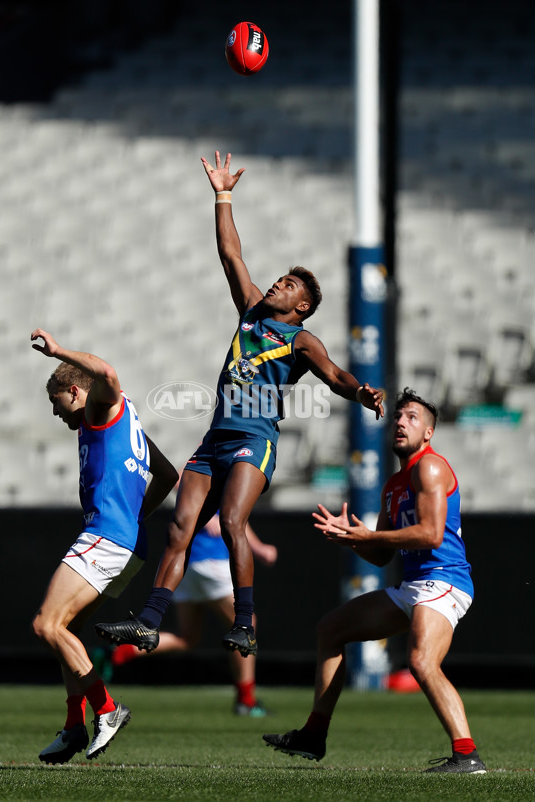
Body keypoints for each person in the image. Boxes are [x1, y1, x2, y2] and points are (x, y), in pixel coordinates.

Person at [95, 150, 385, 659]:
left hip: (255, 440)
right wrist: (223, 195)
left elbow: (336, 375)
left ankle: (246, 623)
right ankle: (149, 620)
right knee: (180, 528)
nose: (278, 283)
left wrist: (361, 392)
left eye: (289, 285)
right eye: (281, 278)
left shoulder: (301, 341)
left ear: (302, 307)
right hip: (214, 442)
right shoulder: (250, 311)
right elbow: (231, 253)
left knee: (232, 523)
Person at [263, 389, 487, 774]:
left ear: (429, 432)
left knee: (420, 661)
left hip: (444, 580)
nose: (401, 422)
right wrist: (352, 539)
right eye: (399, 416)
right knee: (331, 629)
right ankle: (314, 735)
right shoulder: (393, 485)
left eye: (412, 417)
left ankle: (467, 755)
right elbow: (382, 554)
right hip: (415, 585)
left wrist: (368, 536)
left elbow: (432, 535)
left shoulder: (429, 468)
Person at [30, 328, 178, 764]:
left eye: (58, 404)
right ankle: (74, 727)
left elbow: (108, 373)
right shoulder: (126, 419)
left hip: (106, 536)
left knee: (46, 625)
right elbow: (166, 475)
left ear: (75, 391)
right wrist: (135, 516)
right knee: (66, 630)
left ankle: (107, 710)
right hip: (130, 541)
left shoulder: (101, 406)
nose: (57, 415)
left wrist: (57, 351)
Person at [105, 512, 278, 716]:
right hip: (210, 560)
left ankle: (118, 652)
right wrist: (256, 547)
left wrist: (256, 547)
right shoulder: (215, 482)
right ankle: (246, 700)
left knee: (187, 638)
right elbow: (233, 513)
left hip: (183, 565)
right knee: (245, 625)